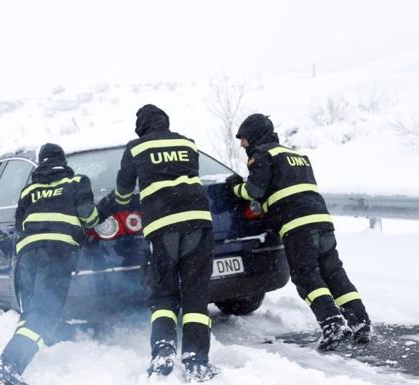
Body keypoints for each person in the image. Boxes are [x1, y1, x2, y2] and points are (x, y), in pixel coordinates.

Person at [226, 113, 371, 350]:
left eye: (243, 138)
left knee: (306, 276)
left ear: (253, 135)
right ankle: (360, 322)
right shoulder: (296, 155)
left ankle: (332, 323)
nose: (242, 143)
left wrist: (235, 186)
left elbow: (254, 190)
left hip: (297, 226)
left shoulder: (262, 154)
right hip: (322, 221)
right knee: (333, 272)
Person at [110, 104, 217, 382]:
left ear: (141, 127)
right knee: (196, 293)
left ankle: (163, 353)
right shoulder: (187, 143)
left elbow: (123, 192)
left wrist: (120, 202)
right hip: (198, 221)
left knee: (164, 294)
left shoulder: (135, 148)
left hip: (162, 226)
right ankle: (196, 360)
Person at [0, 143, 103, 385]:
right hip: (57, 252)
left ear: (41, 163)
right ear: (63, 161)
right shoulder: (76, 182)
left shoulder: (29, 190)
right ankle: (8, 362)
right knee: (45, 311)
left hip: (27, 256)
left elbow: (20, 225)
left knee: (34, 308)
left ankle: (46, 340)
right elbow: (89, 216)